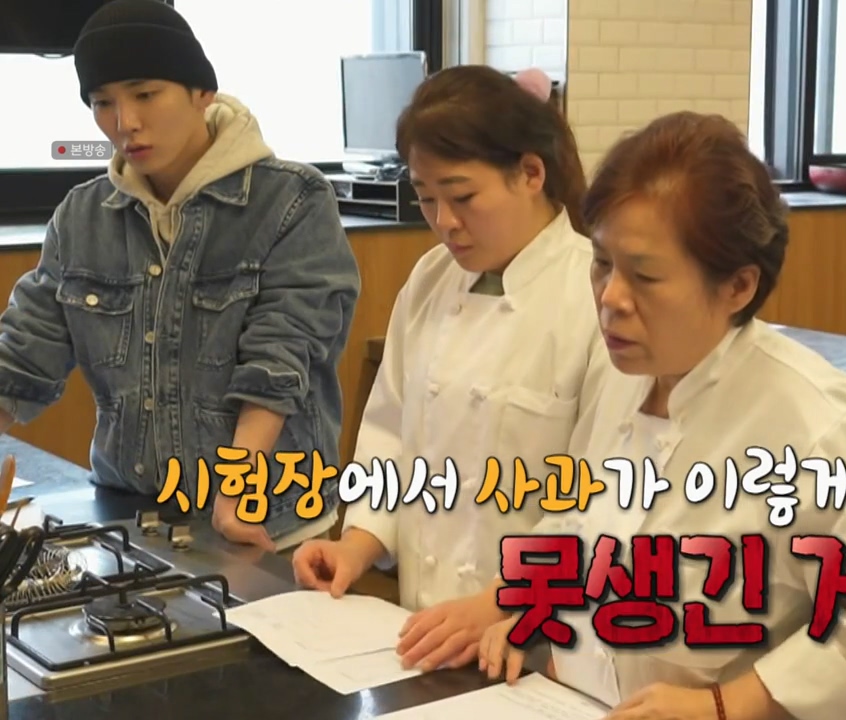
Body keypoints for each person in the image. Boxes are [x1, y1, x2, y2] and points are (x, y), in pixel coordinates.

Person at [476, 111, 846, 720]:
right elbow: (583, 528)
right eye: (602, 263)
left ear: (738, 286)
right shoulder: (622, 379)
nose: (611, 298)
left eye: (645, 275)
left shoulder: (815, 423)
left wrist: (725, 704)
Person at [0, 0, 360, 551]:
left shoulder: (292, 200)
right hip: (130, 514)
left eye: (145, 94)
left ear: (201, 92)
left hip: (267, 521)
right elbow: (24, 352)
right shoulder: (81, 216)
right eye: (102, 103)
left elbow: (283, 355)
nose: (125, 122)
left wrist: (237, 491)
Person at [290, 65, 603, 674]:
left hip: (536, 637)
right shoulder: (432, 277)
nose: (445, 221)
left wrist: (500, 601)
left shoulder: (593, 292)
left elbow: (601, 494)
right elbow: (388, 433)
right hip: (421, 629)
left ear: (531, 173)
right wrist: (358, 543)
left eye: (462, 197)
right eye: (426, 197)